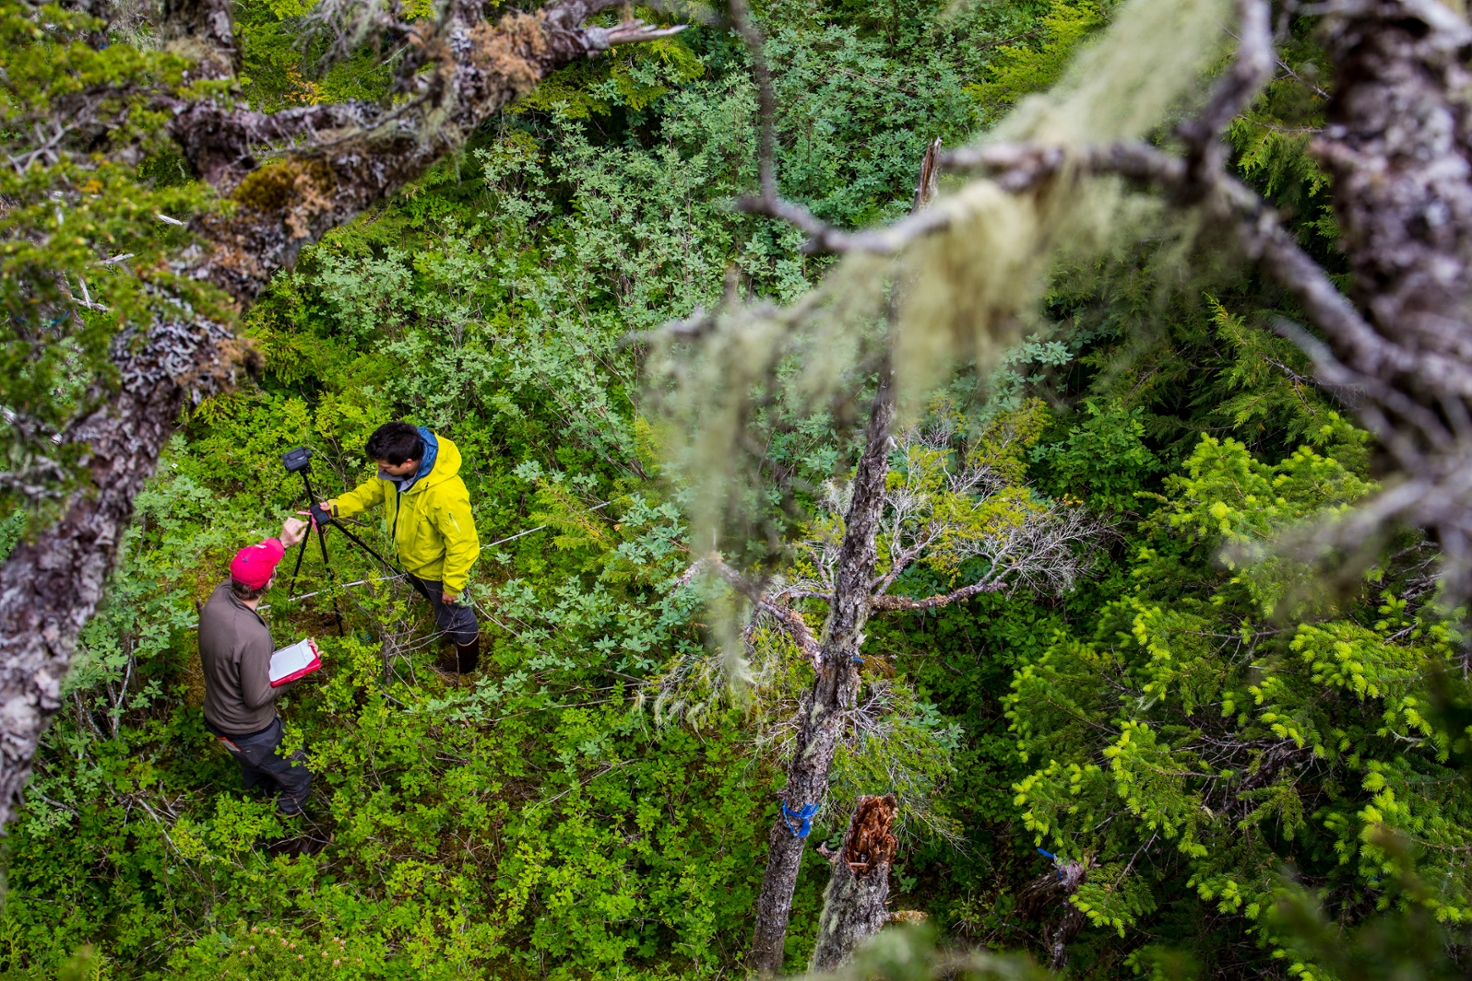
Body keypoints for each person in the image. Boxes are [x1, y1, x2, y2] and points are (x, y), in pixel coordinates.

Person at [320, 421, 481, 674]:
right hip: (413, 563)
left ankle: (467, 667)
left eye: (384, 467)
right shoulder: (395, 472)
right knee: (441, 609)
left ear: (408, 462)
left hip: (437, 571)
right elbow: (373, 491)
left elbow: (463, 543)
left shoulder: (444, 493)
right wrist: (335, 507)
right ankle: (449, 631)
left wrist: (453, 585)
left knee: (459, 615)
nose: (380, 471)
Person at [198, 518, 315, 817]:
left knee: (257, 771)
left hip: (218, 720)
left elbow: (248, 564)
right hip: (252, 731)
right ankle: (286, 833)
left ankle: (262, 799)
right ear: (270, 581)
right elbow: (256, 696)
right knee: (299, 776)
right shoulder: (254, 636)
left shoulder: (218, 598)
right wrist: (300, 670)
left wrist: (282, 541)